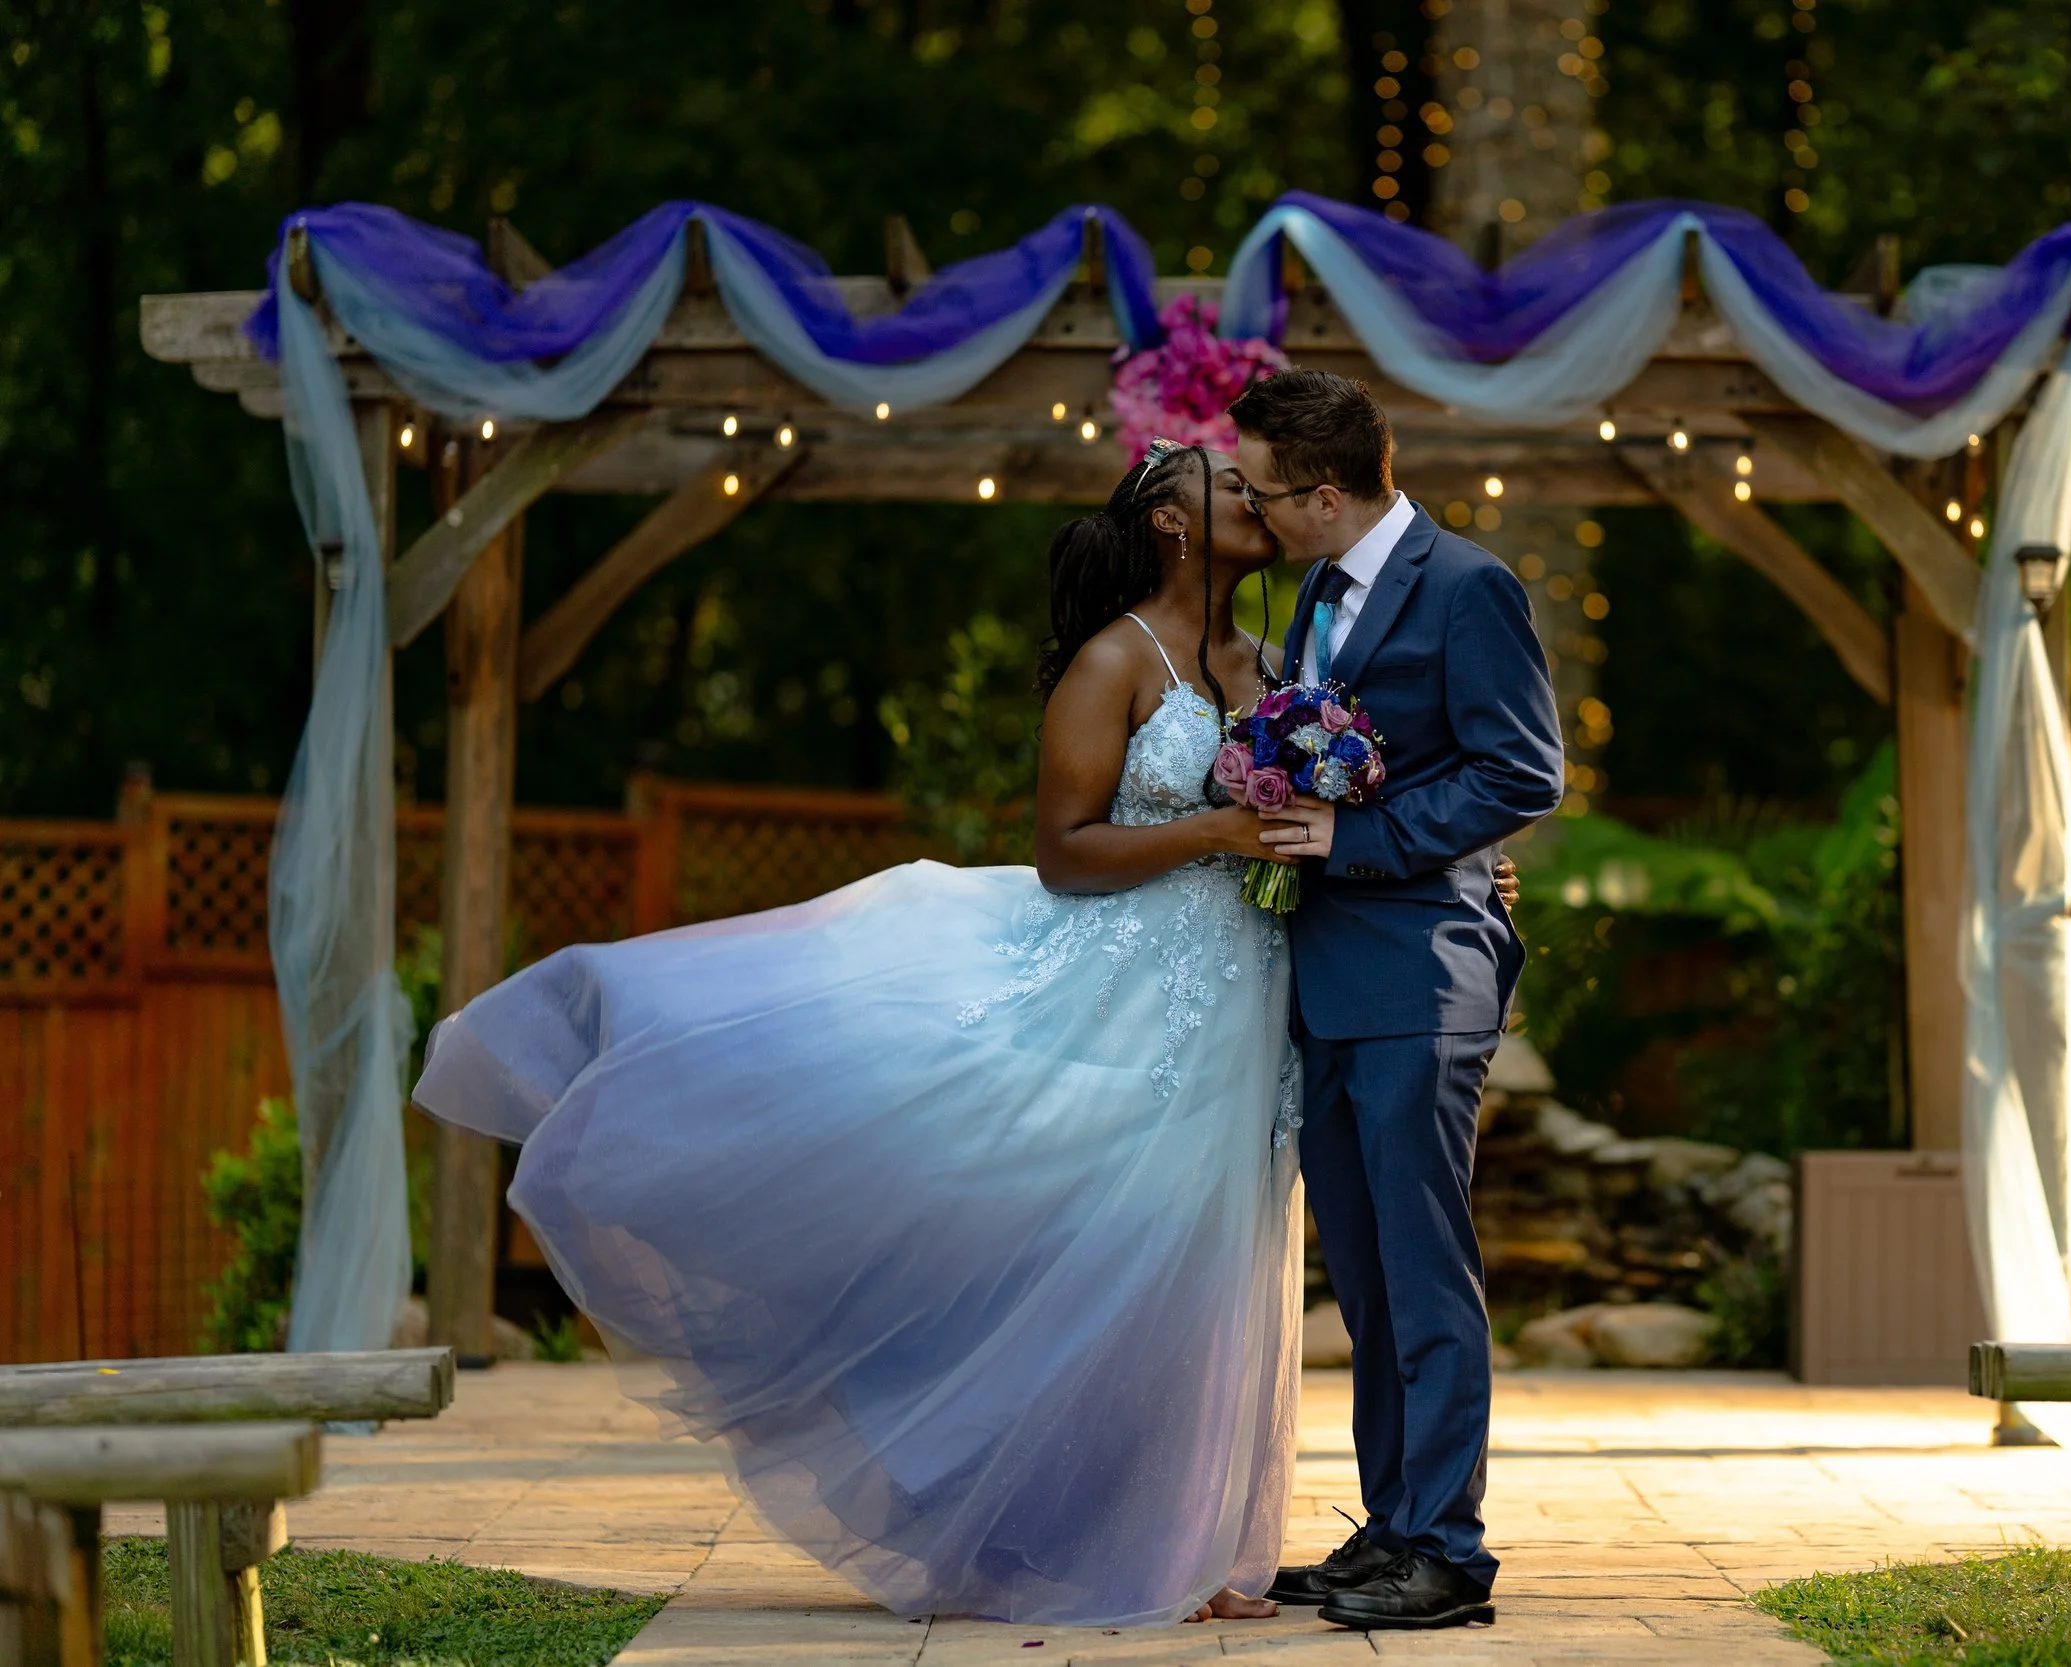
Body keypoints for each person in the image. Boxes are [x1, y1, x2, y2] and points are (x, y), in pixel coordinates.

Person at [411, 437, 1526, 1630]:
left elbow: (1370, 795)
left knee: (1201, 1270)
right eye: (1229, 486)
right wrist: (1220, 836)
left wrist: (1463, 867)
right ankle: (1028, 1509)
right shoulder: (1114, 658)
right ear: (1169, 519)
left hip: (1250, 1005)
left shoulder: (1281, 656)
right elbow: (1065, 847)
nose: (1254, 500)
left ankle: (1186, 1542)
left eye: (1261, 484)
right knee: (1081, 1256)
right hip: (1121, 995)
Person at [1231, 371, 1566, 1632]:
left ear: (1325, 493)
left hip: (1425, 973)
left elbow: (1521, 769)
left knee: (1425, 1273)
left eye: (1264, 495)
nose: (1254, 518)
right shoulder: (1315, 588)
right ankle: (1389, 1527)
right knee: (1365, 1278)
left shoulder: (1469, 586)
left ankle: (1451, 1551)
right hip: (1326, 975)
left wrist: (1350, 836)